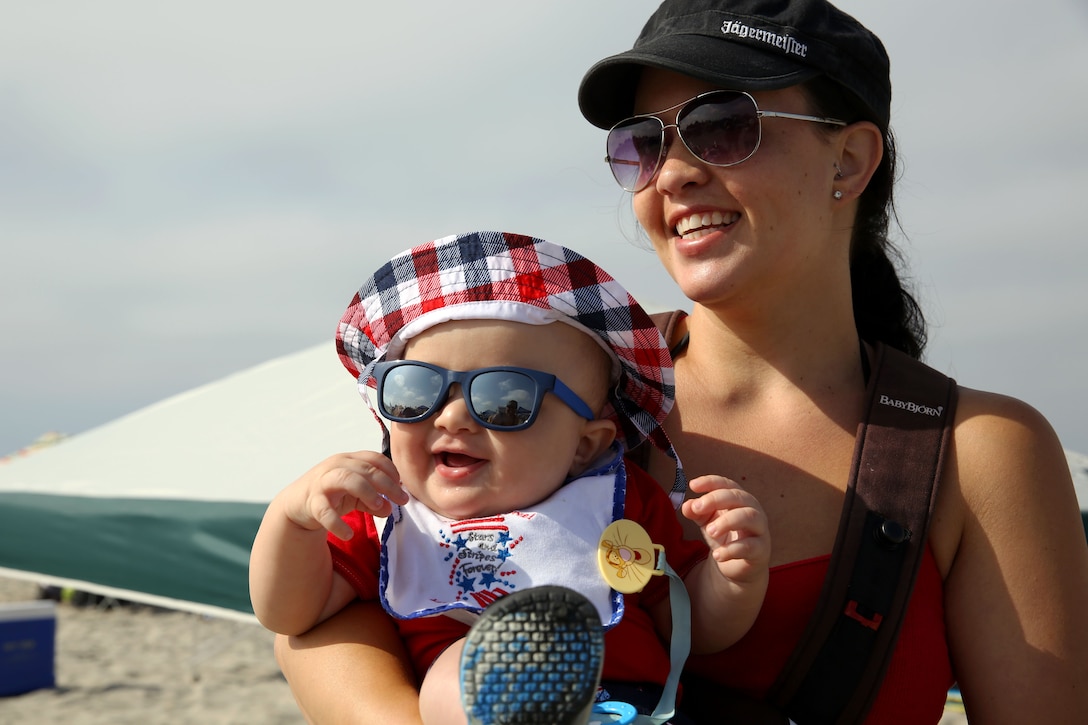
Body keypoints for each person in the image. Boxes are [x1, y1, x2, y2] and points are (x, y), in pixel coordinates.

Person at [272, 1, 1088, 723]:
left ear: (849, 161)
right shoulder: (535, 381)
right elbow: (317, 618)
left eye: (724, 126)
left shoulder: (979, 450)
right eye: (642, 143)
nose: (675, 172)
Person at [250, 231, 771, 724]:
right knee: (460, 673)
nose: (451, 417)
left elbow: (688, 627)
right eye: (416, 392)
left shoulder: (618, 502)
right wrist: (292, 521)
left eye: (505, 400)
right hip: (460, 705)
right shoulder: (389, 512)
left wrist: (732, 578)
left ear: (585, 444)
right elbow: (293, 614)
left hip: (627, 708)